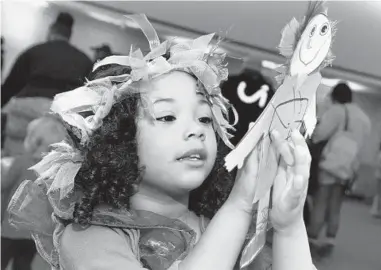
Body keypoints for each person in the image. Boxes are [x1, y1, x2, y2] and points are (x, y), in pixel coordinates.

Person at [7, 14, 315, 270]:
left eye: (205, 119)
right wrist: (239, 206)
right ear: (121, 140)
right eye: (168, 117)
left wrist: (289, 227)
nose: (196, 130)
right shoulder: (90, 234)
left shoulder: (221, 226)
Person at [1, 12, 92, 156]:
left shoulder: (34, 51)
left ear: (50, 31)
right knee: (48, 165)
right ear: (69, 35)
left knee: (13, 159)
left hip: (28, 107)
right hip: (62, 115)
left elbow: (10, 86)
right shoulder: (85, 61)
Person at [307, 82, 371, 258]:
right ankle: (329, 241)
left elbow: (319, 134)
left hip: (331, 162)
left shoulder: (337, 111)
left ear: (335, 96)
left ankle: (312, 239)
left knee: (322, 200)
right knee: (336, 204)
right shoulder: (364, 117)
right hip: (349, 166)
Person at [1, 115, 67, 270]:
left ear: (33, 142)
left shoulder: (21, 162)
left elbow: (4, 186)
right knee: (23, 264)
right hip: (34, 233)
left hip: (10, 229)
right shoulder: (54, 171)